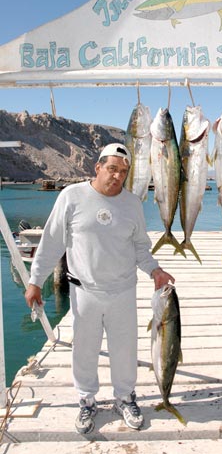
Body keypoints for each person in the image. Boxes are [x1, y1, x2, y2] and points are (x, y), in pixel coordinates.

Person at [24, 143, 174, 435]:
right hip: (84, 291)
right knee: (85, 348)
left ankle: (125, 397)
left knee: (125, 348)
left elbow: (140, 247)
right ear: (98, 167)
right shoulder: (72, 196)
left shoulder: (132, 204)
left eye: (123, 172)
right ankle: (86, 400)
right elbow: (52, 242)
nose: (117, 176)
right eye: (112, 169)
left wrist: (154, 270)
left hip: (122, 290)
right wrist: (35, 281)